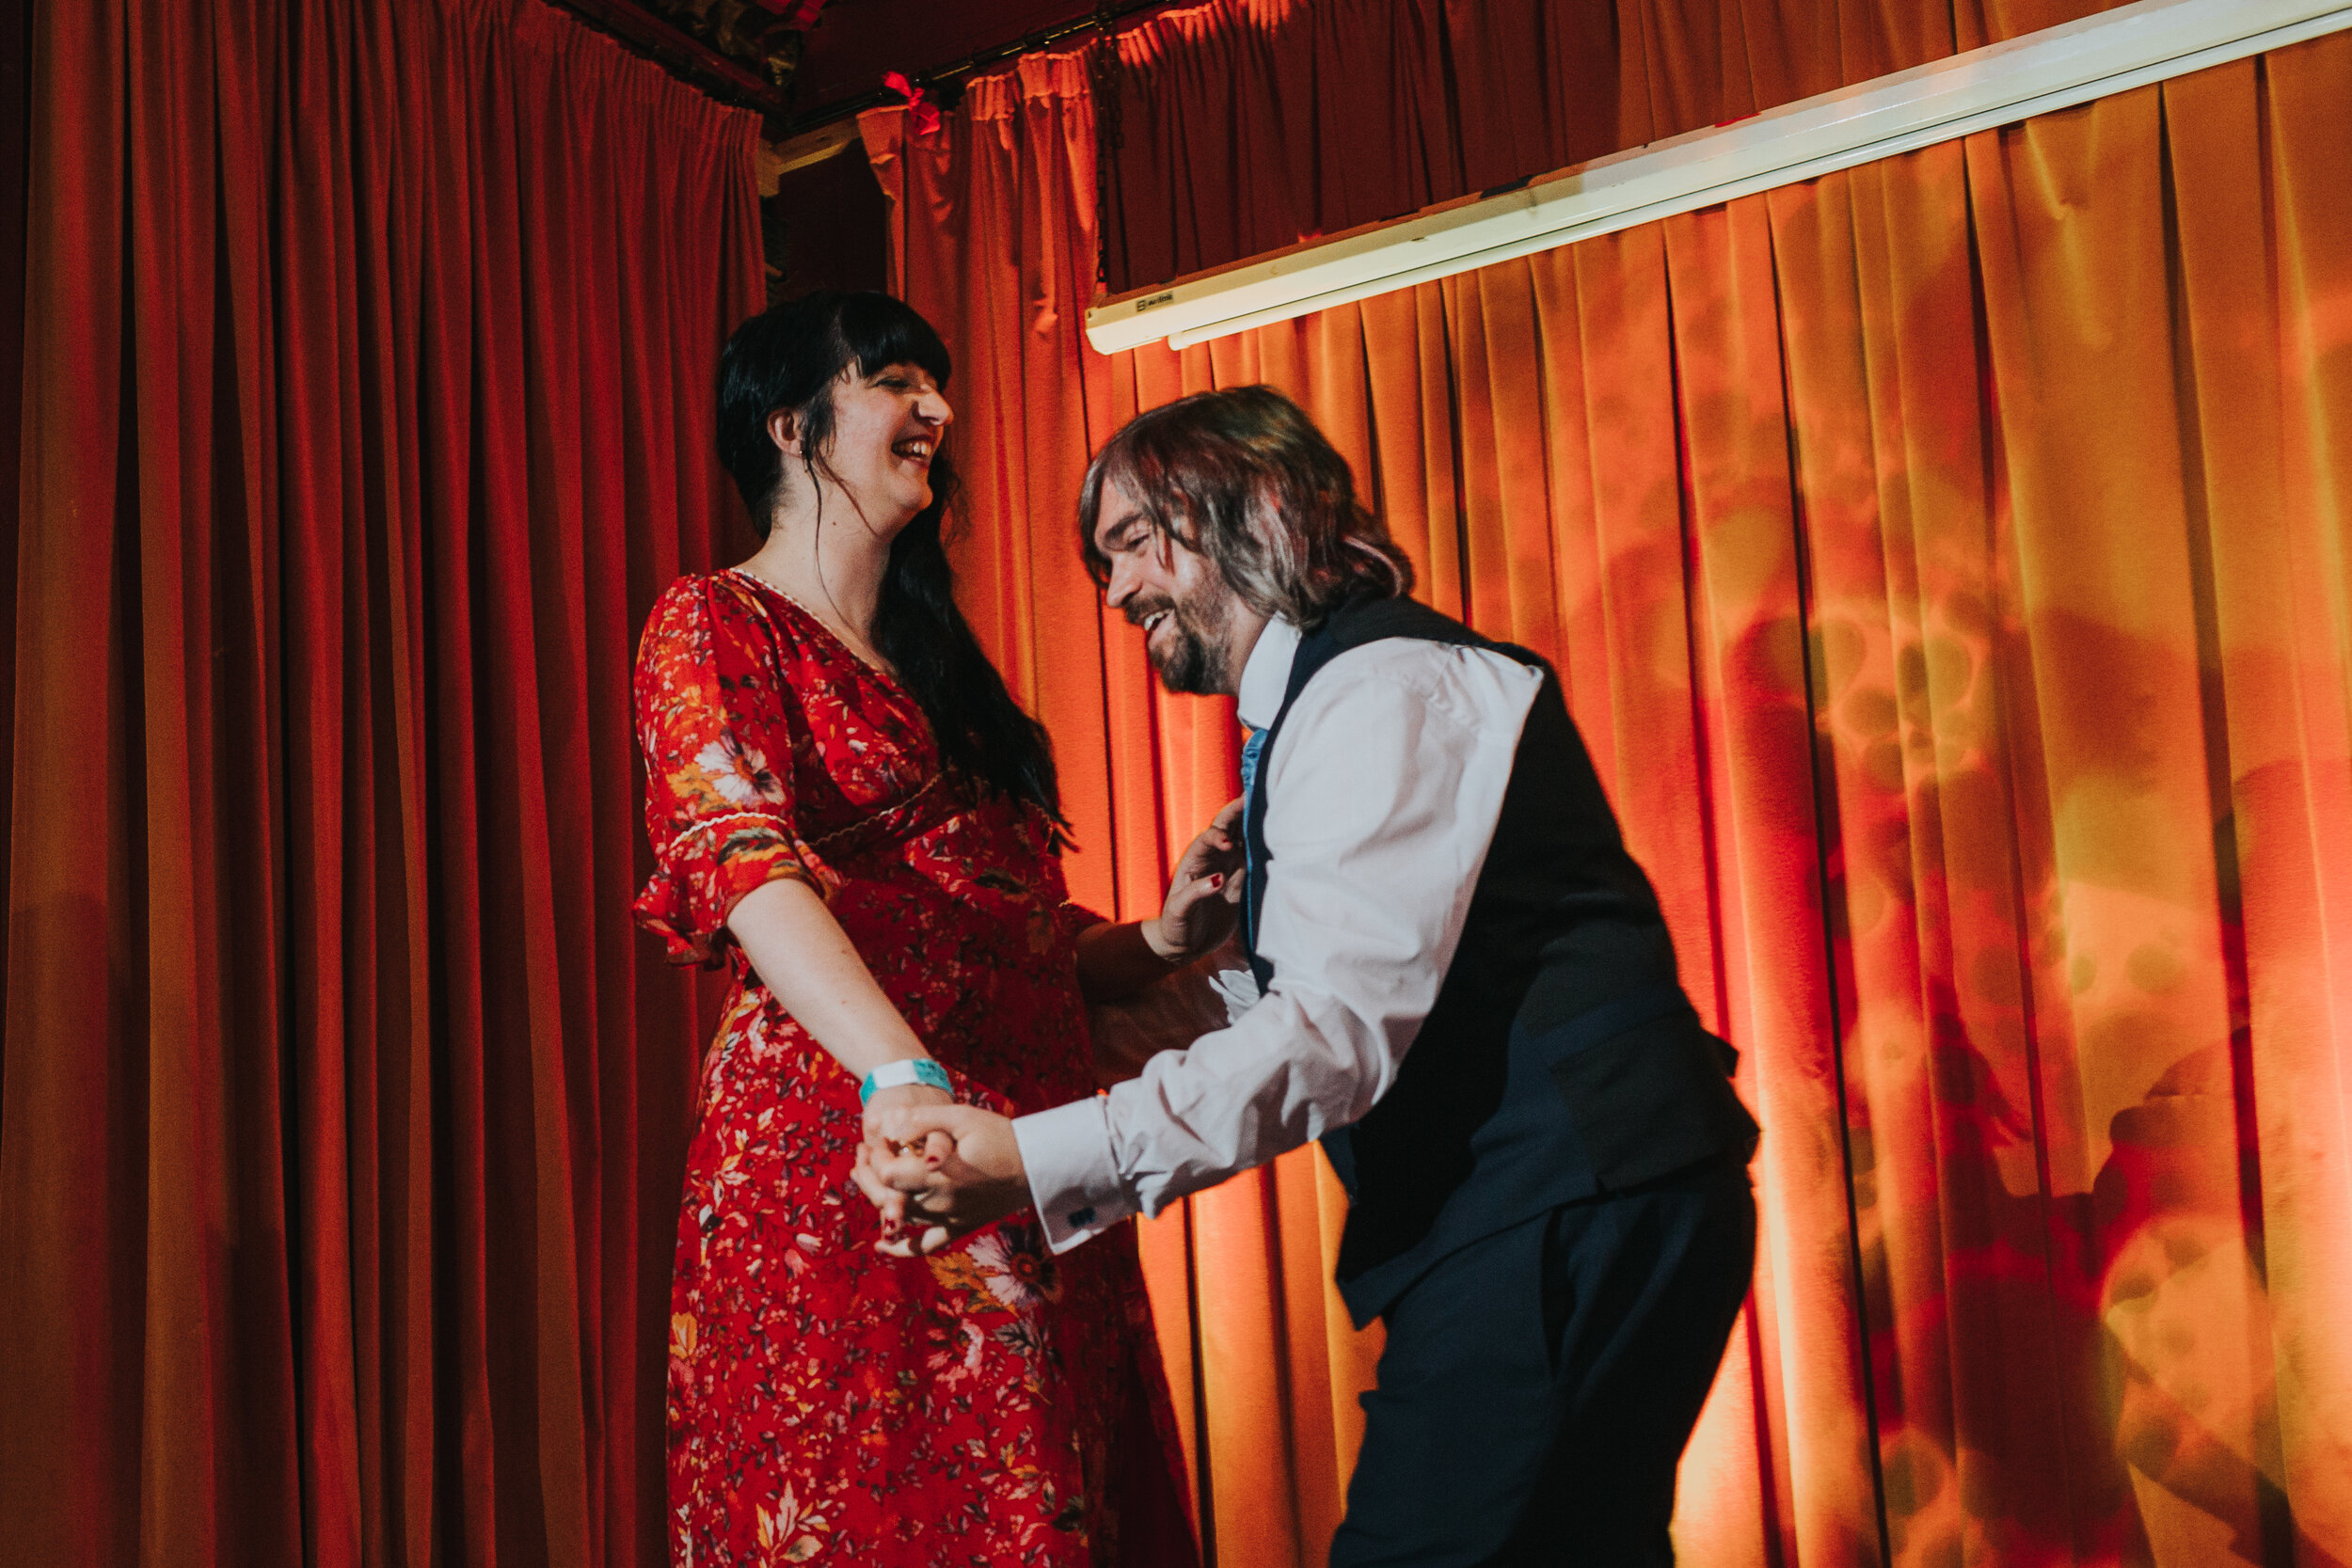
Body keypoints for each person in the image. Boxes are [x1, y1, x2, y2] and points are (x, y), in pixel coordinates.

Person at [857, 385, 1763, 1565]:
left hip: (1558, 1202)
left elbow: (1330, 1037)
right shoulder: (1327, 706)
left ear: (1249, 507)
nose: (1115, 589)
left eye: (1133, 540)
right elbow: (1318, 996)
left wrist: (1031, 1163)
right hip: (1582, 1200)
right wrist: (1062, 1012)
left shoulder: (1381, 687)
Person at [632, 292, 1201, 1567]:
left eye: (936, 385)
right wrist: (902, 1078)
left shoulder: (936, 665)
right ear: (792, 426)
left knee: (1051, 1491)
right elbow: (740, 859)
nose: (934, 411)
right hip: (857, 1150)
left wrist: (1162, 940)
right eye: (895, 380)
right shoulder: (713, 621)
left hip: (1028, 1146)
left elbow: (1015, 933)